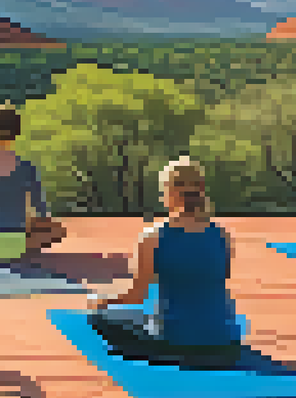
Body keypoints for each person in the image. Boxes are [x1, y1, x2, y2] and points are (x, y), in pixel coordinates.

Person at [87, 157, 243, 368]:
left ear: (171, 192)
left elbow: (136, 295)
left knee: (100, 317)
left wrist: (101, 301)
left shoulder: (153, 236)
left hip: (173, 341)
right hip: (224, 340)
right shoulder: (223, 235)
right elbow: (216, 280)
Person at [0, 105, 67, 261]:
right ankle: (19, 247)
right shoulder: (27, 167)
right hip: (10, 240)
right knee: (58, 231)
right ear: (18, 132)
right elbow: (40, 209)